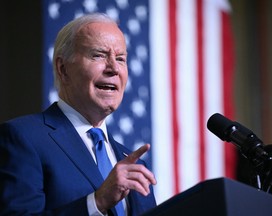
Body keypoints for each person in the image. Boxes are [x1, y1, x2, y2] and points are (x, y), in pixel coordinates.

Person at [0, 13, 157, 216]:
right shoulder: (23, 138)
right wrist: (97, 202)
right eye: (99, 55)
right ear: (63, 68)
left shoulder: (134, 166)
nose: (113, 68)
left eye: (120, 58)